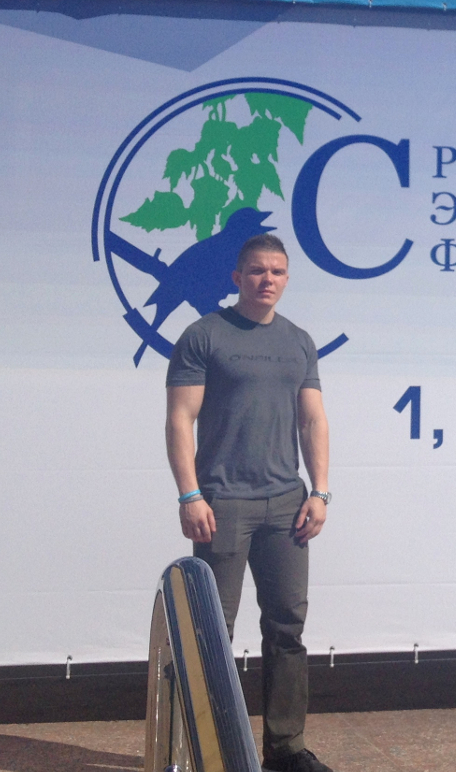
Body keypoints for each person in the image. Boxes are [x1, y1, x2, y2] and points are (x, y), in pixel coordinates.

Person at [164, 232, 333, 772]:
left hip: (287, 506)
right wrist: (190, 494)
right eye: (257, 271)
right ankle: (210, 752)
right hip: (222, 505)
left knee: (287, 628)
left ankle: (286, 749)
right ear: (237, 278)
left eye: (277, 272)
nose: (267, 280)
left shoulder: (299, 341)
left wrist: (320, 491)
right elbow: (180, 419)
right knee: (213, 635)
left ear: (287, 279)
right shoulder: (204, 335)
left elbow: (313, 419)